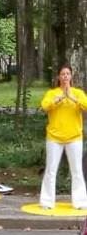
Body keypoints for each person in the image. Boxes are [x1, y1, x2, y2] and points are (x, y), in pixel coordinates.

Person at [39, 65, 87, 209]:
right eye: (63, 74)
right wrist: (57, 99)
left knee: (77, 170)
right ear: (59, 77)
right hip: (54, 137)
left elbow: (85, 105)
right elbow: (44, 106)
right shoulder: (52, 93)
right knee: (51, 170)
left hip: (74, 137)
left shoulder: (78, 93)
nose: (65, 76)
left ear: (71, 76)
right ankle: (47, 202)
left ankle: (80, 202)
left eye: (67, 74)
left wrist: (73, 98)